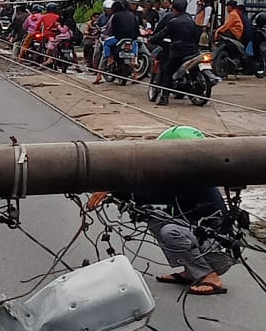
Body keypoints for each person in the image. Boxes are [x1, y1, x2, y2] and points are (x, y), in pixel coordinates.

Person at [88, 126, 236, 295]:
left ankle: (209, 276)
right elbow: (149, 194)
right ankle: (191, 271)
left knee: (170, 231)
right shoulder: (188, 174)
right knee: (156, 219)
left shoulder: (189, 179)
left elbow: (146, 196)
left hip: (218, 252)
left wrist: (113, 188)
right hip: (207, 241)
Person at [154, 0, 199, 105]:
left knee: (167, 71)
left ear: (174, 8)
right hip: (193, 51)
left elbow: (161, 34)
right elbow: (197, 35)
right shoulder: (192, 21)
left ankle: (164, 97)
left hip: (178, 53)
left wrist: (152, 39)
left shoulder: (173, 22)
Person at [93, 0, 139, 84]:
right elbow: (137, 30)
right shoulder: (132, 15)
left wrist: (106, 34)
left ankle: (106, 65)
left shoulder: (115, 16)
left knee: (106, 44)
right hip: (131, 39)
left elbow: (110, 29)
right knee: (134, 47)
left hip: (118, 39)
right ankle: (135, 71)